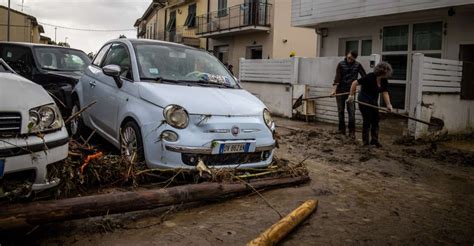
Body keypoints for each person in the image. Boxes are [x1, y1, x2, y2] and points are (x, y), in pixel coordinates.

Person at [347, 62, 394, 147]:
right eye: (387, 72)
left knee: (376, 120)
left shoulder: (384, 80)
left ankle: (374, 140)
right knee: (367, 120)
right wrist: (351, 96)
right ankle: (365, 142)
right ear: (382, 72)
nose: (388, 74)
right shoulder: (370, 77)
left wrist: (388, 105)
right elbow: (354, 83)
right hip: (364, 100)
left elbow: (385, 92)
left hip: (373, 101)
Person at [332, 50, 366, 138]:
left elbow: (364, 77)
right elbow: (337, 78)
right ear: (347, 55)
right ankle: (341, 130)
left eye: (351, 59)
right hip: (340, 90)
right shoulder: (341, 64)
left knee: (351, 112)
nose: (349, 60)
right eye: (348, 57)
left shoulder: (358, 65)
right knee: (340, 111)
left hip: (351, 92)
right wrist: (334, 90)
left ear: (355, 59)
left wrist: (360, 87)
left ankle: (352, 132)